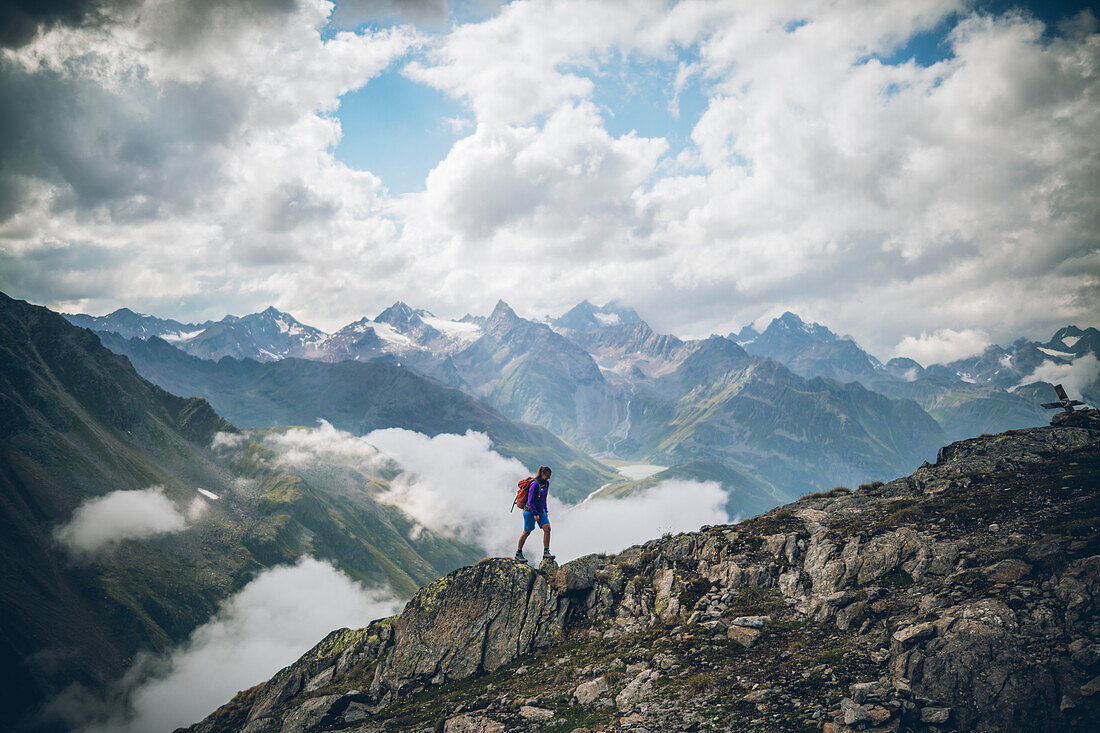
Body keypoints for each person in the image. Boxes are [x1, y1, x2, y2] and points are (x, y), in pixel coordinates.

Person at [516, 465, 554, 563]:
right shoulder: (534, 484)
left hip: (541, 511)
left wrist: (546, 510)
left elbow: (543, 498)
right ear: (542, 474)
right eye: (547, 475)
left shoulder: (546, 483)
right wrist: (535, 513)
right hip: (530, 512)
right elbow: (530, 501)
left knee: (547, 528)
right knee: (526, 532)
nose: (549, 477)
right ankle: (518, 553)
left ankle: (546, 552)